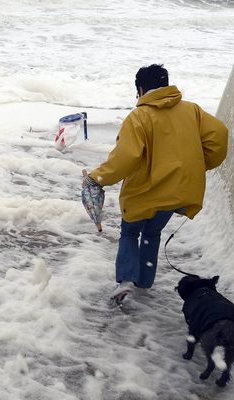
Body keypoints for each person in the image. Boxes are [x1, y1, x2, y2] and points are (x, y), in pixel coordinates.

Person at [83, 64, 229, 303]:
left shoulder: (139, 117)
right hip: (176, 194)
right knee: (152, 233)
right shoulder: (192, 111)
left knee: (130, 233)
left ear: (141, 89)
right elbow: (219, 137)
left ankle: (127, 280)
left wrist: (97, 177)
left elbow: (125, 158)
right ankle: (145, 282)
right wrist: (199, 165)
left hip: (143, 193)